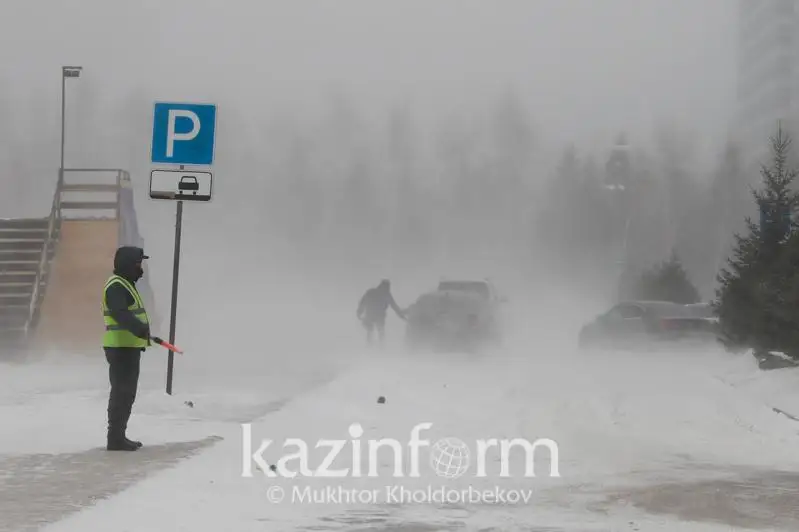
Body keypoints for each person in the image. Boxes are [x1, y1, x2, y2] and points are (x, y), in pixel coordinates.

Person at [102, 246, 161, 451]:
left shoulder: (125, 284)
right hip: (121, 348)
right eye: (138, 264)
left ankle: (118, 436)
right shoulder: (117, 286)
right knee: (122, 392)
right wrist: (138, 328)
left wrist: (141, 331)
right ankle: (115, 438)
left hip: (126, 347)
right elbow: (119, 313)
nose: (141, 269)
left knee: (126, 393)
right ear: (128, 264)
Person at [356, 279, 406, 344]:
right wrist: (401, 315)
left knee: (374, 330)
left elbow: (363, 302)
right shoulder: (384, 294)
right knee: (376, 330)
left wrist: (359, 312)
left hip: (374, 315)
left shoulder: (373, 292)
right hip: (376, 315)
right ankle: (377, 346)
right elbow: (394, 306)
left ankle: (376, 346)